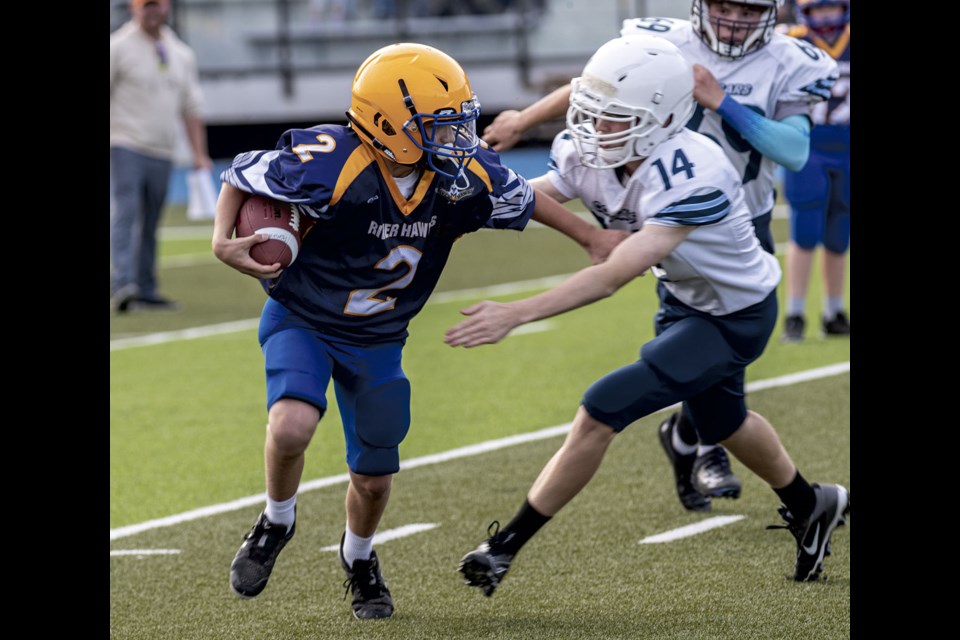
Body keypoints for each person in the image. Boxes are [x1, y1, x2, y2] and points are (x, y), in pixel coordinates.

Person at [212, 42, 624, 620]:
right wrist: (220, 239)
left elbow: (524, 197)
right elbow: (240, 171)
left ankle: (359, 558)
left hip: (380, 335)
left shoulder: (460, 177)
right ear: (388, 124)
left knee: (374, 479)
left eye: (458, 122)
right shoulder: (334, 161)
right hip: (303, 315)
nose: (456, 137)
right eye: (439, 125)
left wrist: (590, 239)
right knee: (292, 423)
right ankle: (276, 520)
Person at [447, 34, 849, 595]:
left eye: (611, 118)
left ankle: (503, 547)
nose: (591, 128)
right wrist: (447, 207)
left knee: (600, 409)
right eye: (587, 112)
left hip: (733, 318)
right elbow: (530, 193)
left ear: (661, 119)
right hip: (683, 301)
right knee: (724, 424)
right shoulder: (593, 149)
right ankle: (813, 504)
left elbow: (613, 273)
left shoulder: (693, 169)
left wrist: (517, 313)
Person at [110, 0, 212, 312]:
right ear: (133, 8)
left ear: (166, 7)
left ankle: (145, 288)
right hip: (125, 141)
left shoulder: (180, 53)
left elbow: (191, 108)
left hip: (163, 149)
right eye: (146, 5)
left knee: (152, 219)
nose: (152, 11)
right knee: (126, 210)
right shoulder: (118, 47)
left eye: (156, 5)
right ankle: (123, 283)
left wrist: (199, 153)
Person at [779, 0, 850, 341]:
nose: (826, 16)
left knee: (839, 233)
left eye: (832, 7)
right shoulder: (790, 41)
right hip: (808, 149)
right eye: (819, 9)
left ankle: (834, 310)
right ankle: (795, 313)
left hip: (847, 149)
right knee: (805, 230)